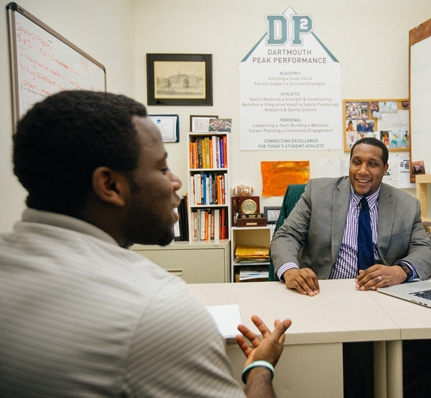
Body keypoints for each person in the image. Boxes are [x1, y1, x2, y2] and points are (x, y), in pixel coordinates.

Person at [0, 90, 291, 397]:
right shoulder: (155, 309)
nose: (176, 181)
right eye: (162, 167)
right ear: (110, 185)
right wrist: (260, 369)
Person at [270, 137, 431, 398]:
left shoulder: (406, 205)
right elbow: (286, 236)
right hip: (324, 294)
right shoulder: (318, 192)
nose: (362, 171)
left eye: (372, 164)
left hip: (381, 298)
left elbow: (426, 251)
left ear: (385, 169)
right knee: (358, 355)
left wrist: (401, 270)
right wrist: (291, 270)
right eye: (356, 162)